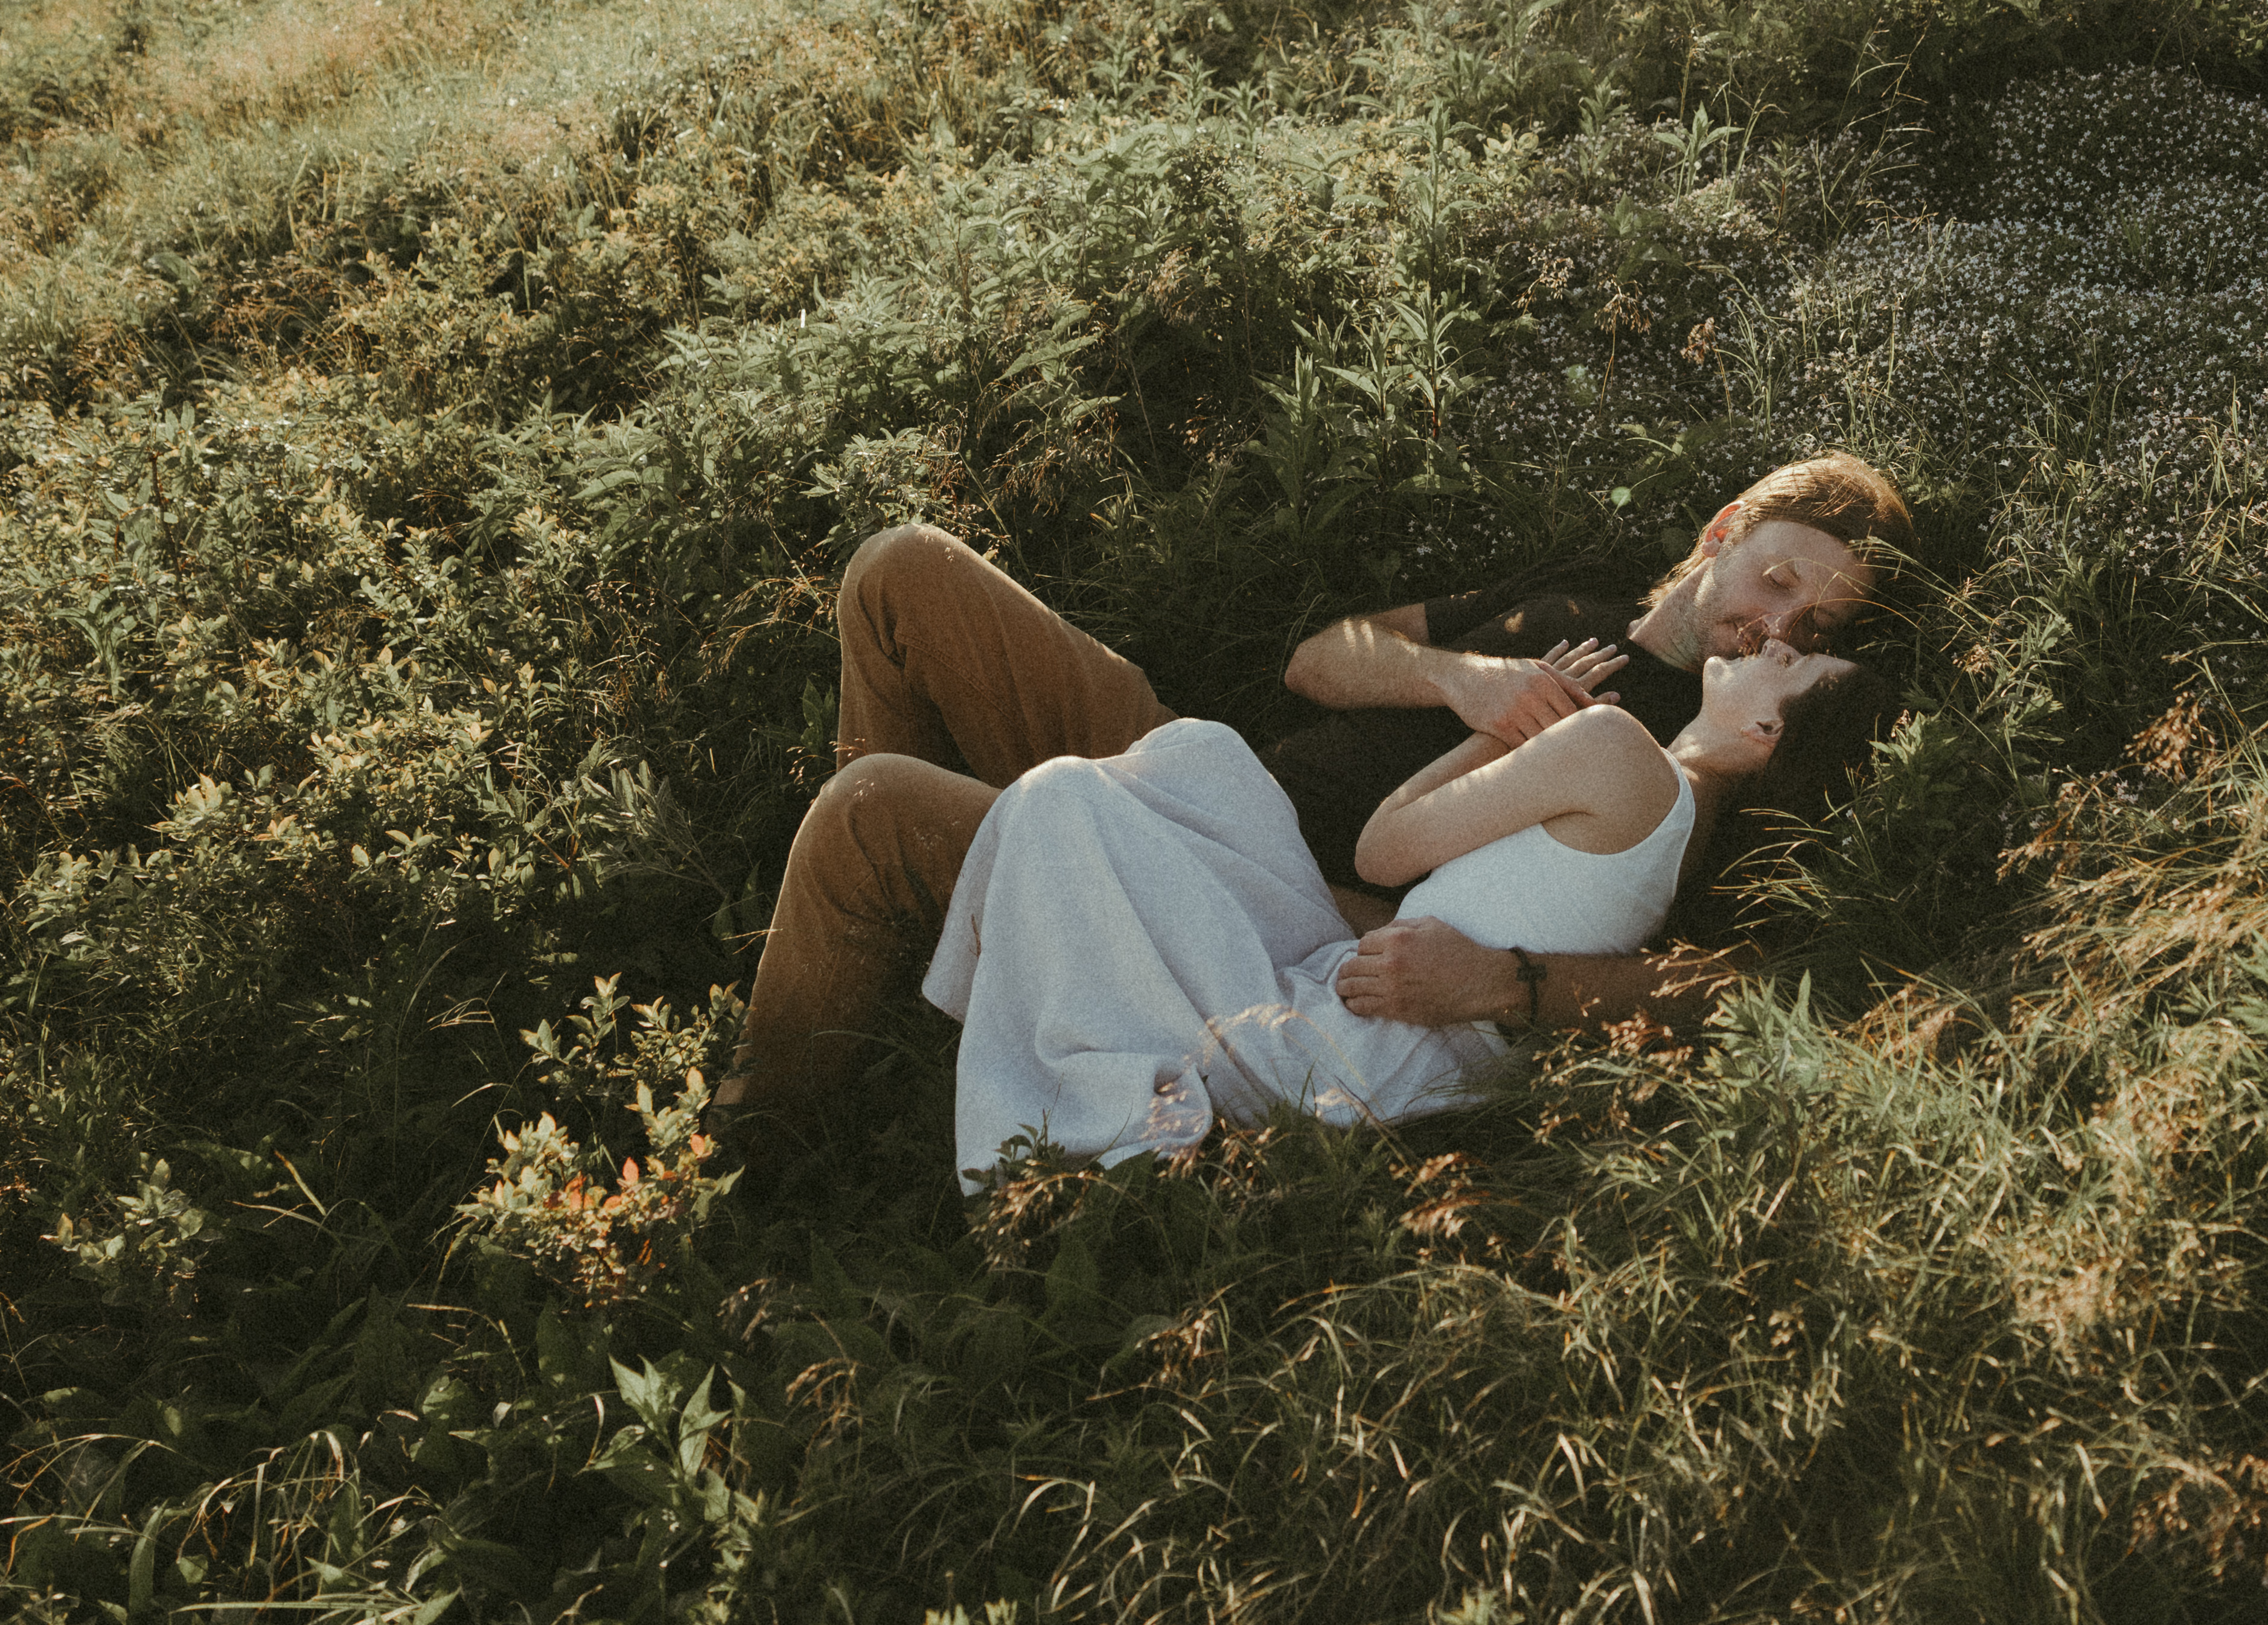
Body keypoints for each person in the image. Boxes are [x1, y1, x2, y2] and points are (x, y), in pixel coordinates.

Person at [712, 455, 1908, 1170]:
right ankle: (919, 964)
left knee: (871, 810)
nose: (1776, 628)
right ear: (1720, 536)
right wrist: (1456, 676)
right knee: (899, 568)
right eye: (1777, 578)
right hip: (1200, 769)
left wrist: (1507, 981)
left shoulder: (1714, 746)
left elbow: (1744, 982)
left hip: (1270, 904)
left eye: (1814, 631)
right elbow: (1316, 658)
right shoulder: (1566, 596)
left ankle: (760, 1140)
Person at [922, 642, 1904, 1181]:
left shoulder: (1618, 753)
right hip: (1380, 1024)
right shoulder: (1677, 839)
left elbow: (1382, 847)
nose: (1776, 644)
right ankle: (1015, 1043)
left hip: (1357, 1043)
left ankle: (1031, 1129)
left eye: (1797, 663)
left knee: (1060, 799)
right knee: (1198, 761)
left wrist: (1507, 728)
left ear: (1771, 728)